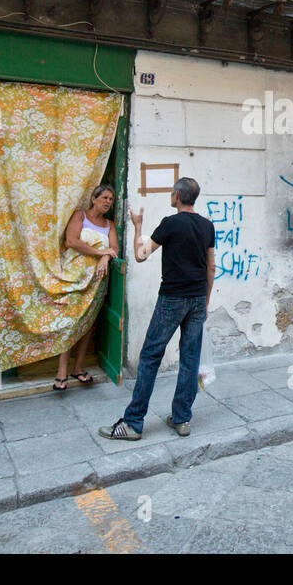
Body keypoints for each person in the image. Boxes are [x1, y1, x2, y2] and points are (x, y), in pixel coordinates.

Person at [99, 177, 215, 441]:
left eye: (172, 192)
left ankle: (133, 423)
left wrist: (137, 227)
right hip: (197, 298)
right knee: (190, 359)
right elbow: (211, 268)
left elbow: (141, 255)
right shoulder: (208, 226)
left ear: (176, 195)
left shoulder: (169, 224)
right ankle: (182, 418)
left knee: (151, 356)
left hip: (172, 298)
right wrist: (205, 302)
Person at [53, 184, 119, 390]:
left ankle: (78, 367)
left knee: (88, 323)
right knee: (70, 321)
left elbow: (114, 248)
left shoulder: (109, 224)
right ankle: (61, 370)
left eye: (111, 199)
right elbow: (71, 241)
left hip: (97, 280)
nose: (108, 202)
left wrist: (106, 257)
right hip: (74, 277)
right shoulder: (79, 216)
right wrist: (100, 253)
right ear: (94, 198)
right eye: (105, 198)